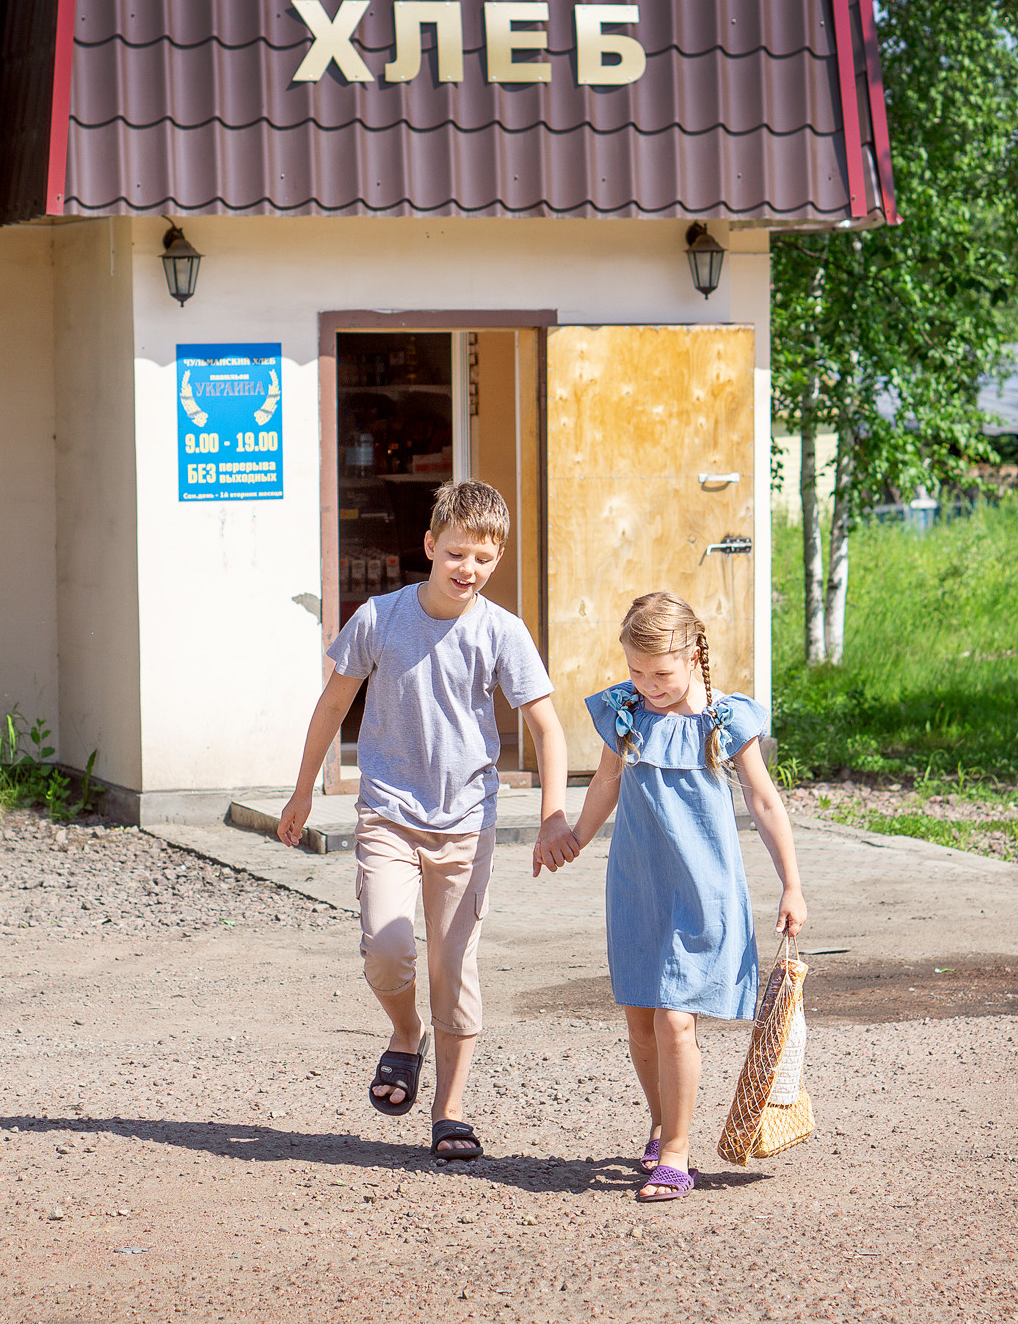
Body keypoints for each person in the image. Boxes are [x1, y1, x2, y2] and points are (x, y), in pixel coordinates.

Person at [279, 479, 579, 1160]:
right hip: (389, 811)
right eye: (454, 554)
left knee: (454, 963)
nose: (467, 569)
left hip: (466, 822)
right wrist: (302, 792)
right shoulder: (380, 620)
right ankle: (404, 1032)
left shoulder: (502, 631)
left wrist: (553, 813)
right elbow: (332, 708)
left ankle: (450, 1111)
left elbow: (546, 727)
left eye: (481, 557)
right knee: (388, 950)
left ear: (494, 558)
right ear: (429, 546)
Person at [538, 590, 806, 1201]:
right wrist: (575, 837)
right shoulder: (627, 711)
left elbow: (765, 802)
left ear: (693, 654)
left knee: (674, 1019)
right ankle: (662, 1123)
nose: (648, 684)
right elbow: (607, 780)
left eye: (661, 673)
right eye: (636, 670)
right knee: (640, 1019)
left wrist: (791, 884)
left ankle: (678, 1155)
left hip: (703, 891)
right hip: (637, 885)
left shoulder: (726, 720)